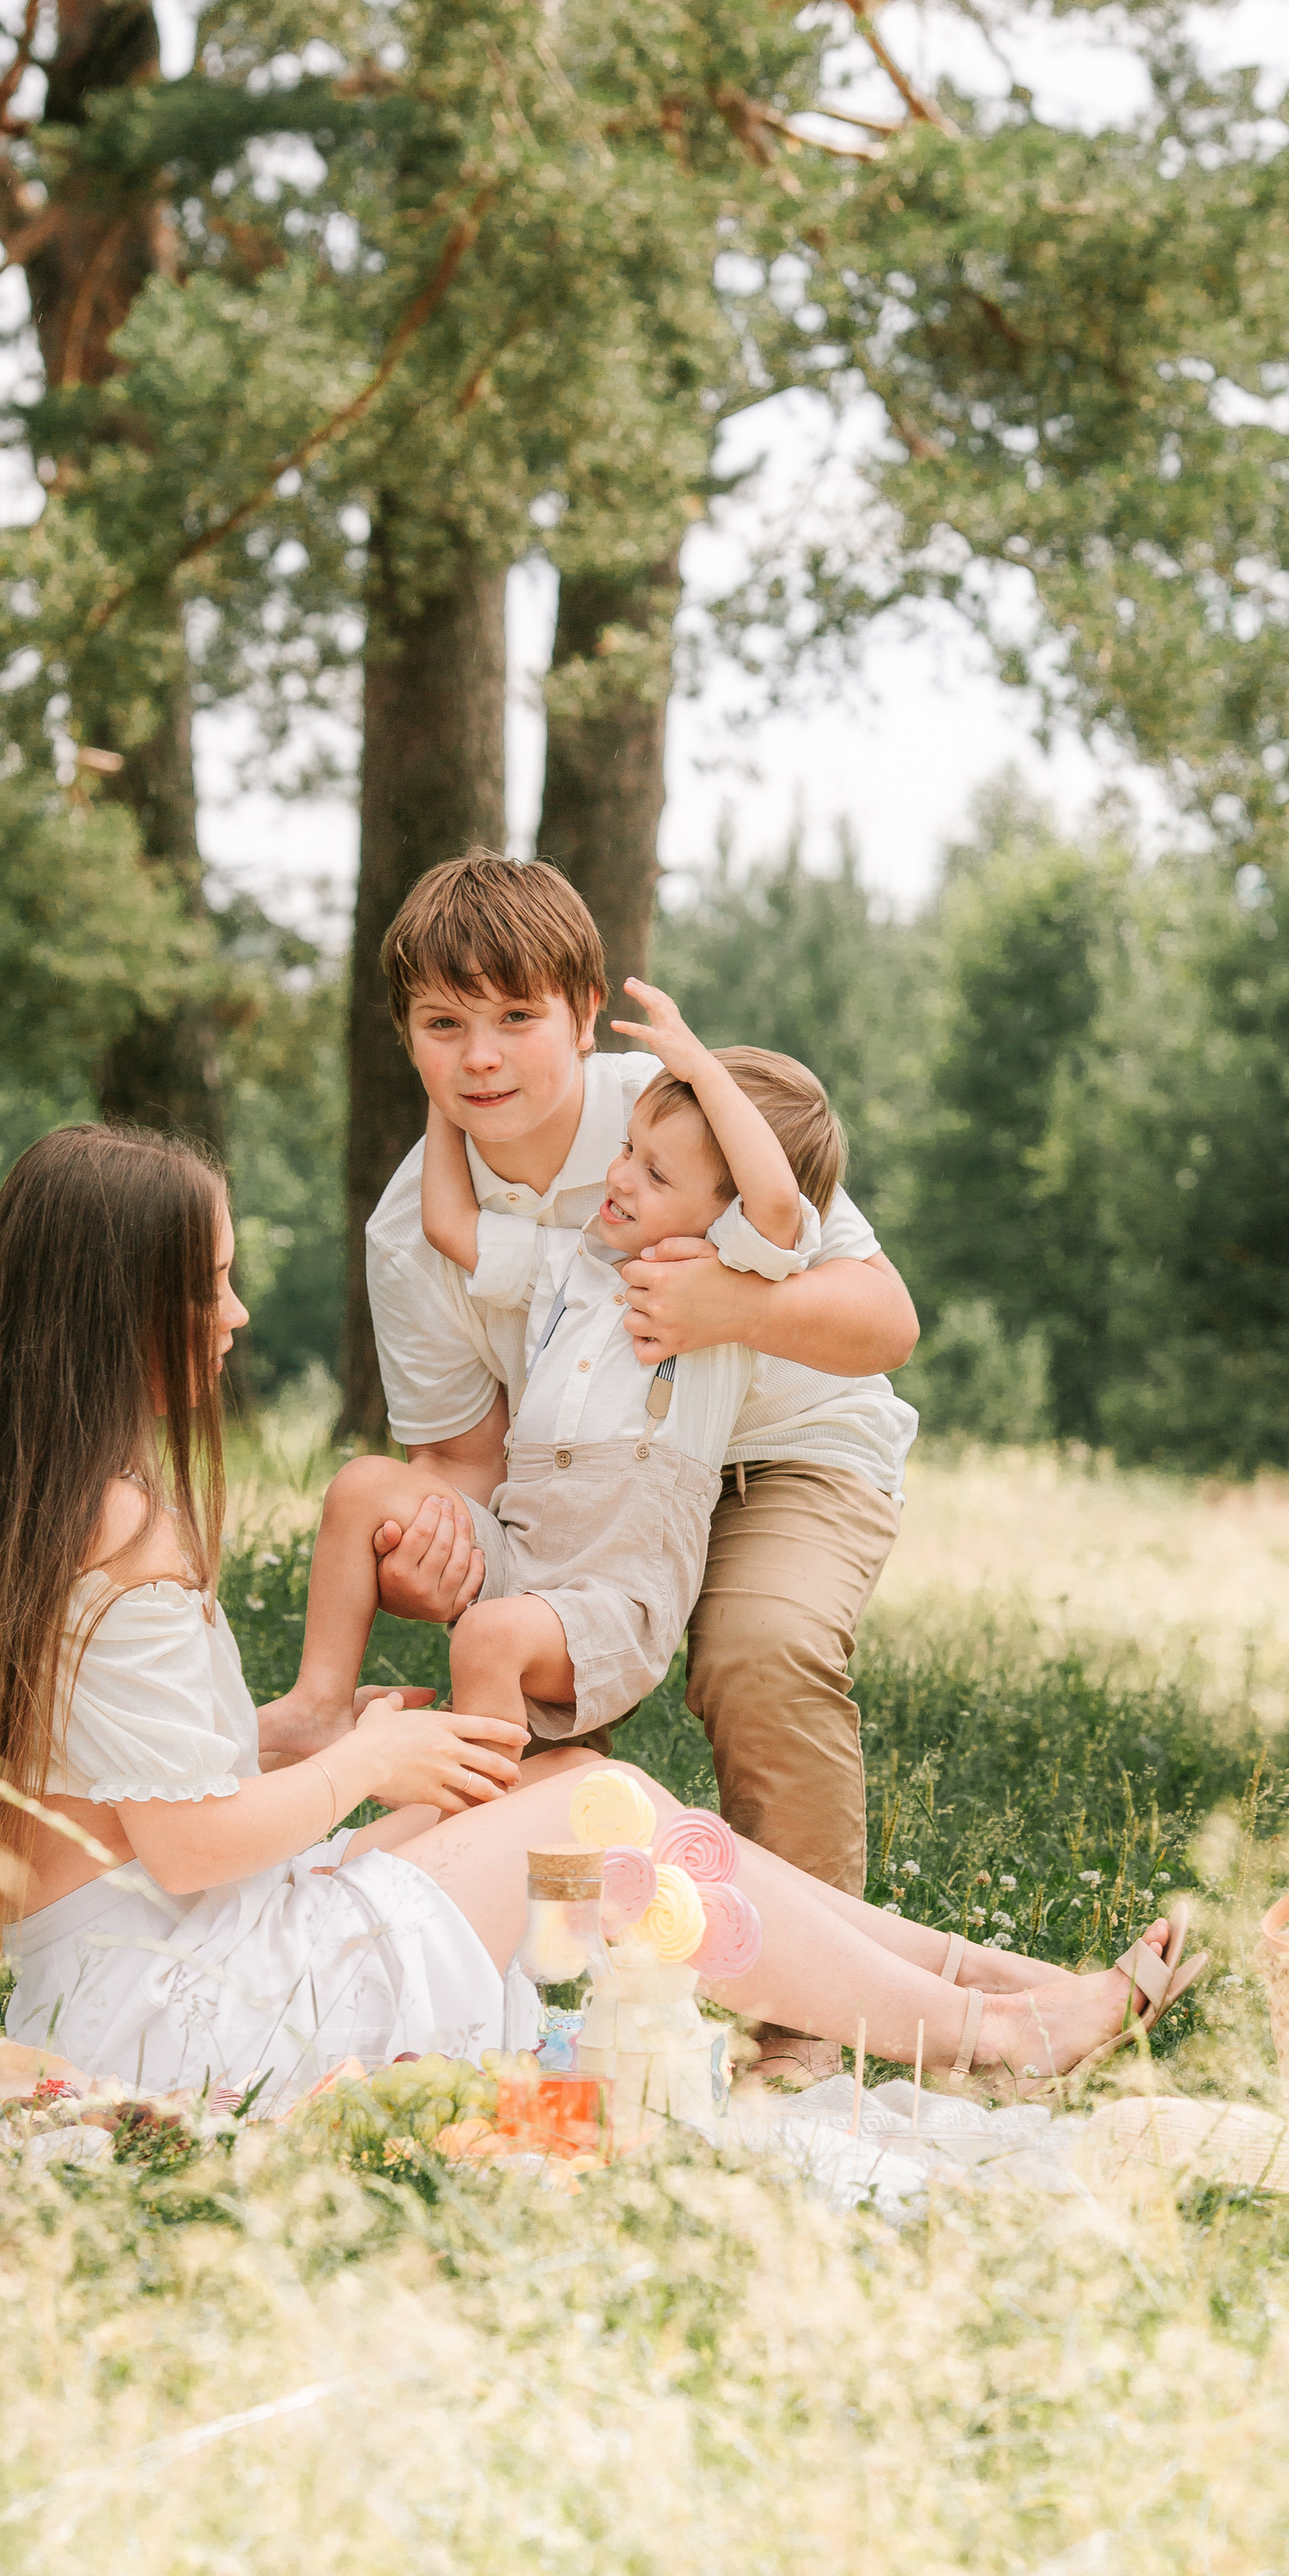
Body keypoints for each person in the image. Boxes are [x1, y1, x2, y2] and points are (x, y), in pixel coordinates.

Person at [0, 1121, 1199, 2108]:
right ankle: (989, 2037)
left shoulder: (34, 1507)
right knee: (598, 1826)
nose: (235, 1316)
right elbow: (184, 1854)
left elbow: (124, 1805)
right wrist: (364, 1764)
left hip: (147, 1978)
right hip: (196, 2010)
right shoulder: (118, 1527)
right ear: (119, 1311)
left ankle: (977, 1983)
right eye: (210, 1287)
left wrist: (312, 1731)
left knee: (573, 1781)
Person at [361, 852, 919, 2074]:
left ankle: (813, 2020)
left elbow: (883, 1320)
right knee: (516, 1657)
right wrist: (439, 1551)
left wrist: (728, 1304)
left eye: (518, 1017)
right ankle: (551, 1981)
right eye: (443, 1026)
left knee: (759, 1651)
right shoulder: (413, 1232)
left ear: (583, 1005)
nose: (483, 1058)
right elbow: (458, 1453)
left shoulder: (684, 1115)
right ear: (405, 1035)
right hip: (590, 1483)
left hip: (786, 1444)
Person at [261, 979, 831, 1749]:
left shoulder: (739, 1276)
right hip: (522, 1553)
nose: (622, 1175)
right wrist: (448, 1099)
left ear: (728, 1213)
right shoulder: (574, 1265)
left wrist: (702, 1068)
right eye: (630, 1150)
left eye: (659, 1176)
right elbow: (450, 1223)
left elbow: (778, 1200)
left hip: (616, 1592)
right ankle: (318, 1705)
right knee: (364, 1485)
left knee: (488, 1640)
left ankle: (477, 1819)